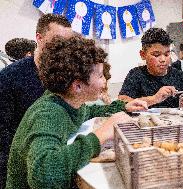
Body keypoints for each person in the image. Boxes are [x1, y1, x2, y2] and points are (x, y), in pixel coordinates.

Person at [5, 36, 147, 189]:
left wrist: (122, 107)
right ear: (78, 86)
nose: (104, 81)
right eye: (100, 76)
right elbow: (43, 175)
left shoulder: (68, 101)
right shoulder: (48, 113)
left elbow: (88, 111)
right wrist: (100, 135)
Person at [0, 13, 73, 188]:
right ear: (39, 38)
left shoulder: (65, 74)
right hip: (20, 164)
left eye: (67, 43)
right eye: (57, 41)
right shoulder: (10, 78)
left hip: (56, 153)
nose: (63, 49)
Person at [118, 28, 183, 108]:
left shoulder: (178, 75)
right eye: (156, 55)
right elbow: (122, 101)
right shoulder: (136, 74)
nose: (163, 60)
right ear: (143, 55)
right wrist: (154, 99)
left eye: (166, 54)